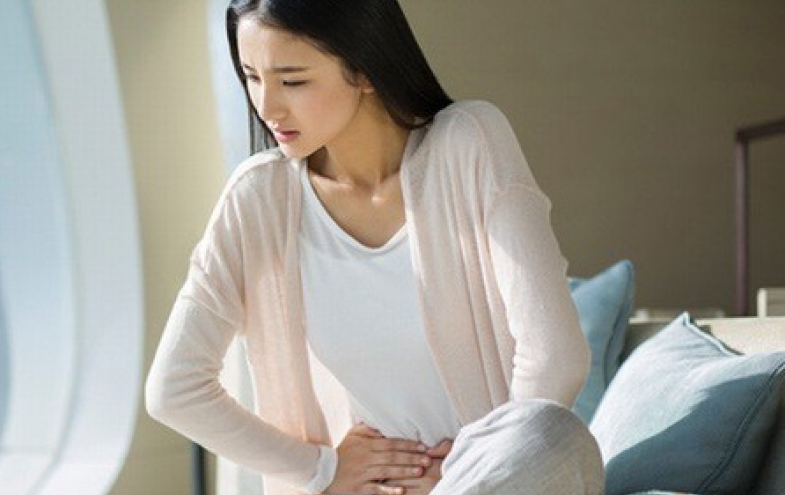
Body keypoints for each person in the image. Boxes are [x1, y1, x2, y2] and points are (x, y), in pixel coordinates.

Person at [146, 1, 605, 494]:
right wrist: (320, 469)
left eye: (292, 81)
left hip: (500, 480)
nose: (267, 106)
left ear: (365, 67)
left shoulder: (469, 143)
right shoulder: (257, 199)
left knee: (554, 434)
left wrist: (471, 469)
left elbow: (556, 356)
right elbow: (174, 388)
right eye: (252, 77)